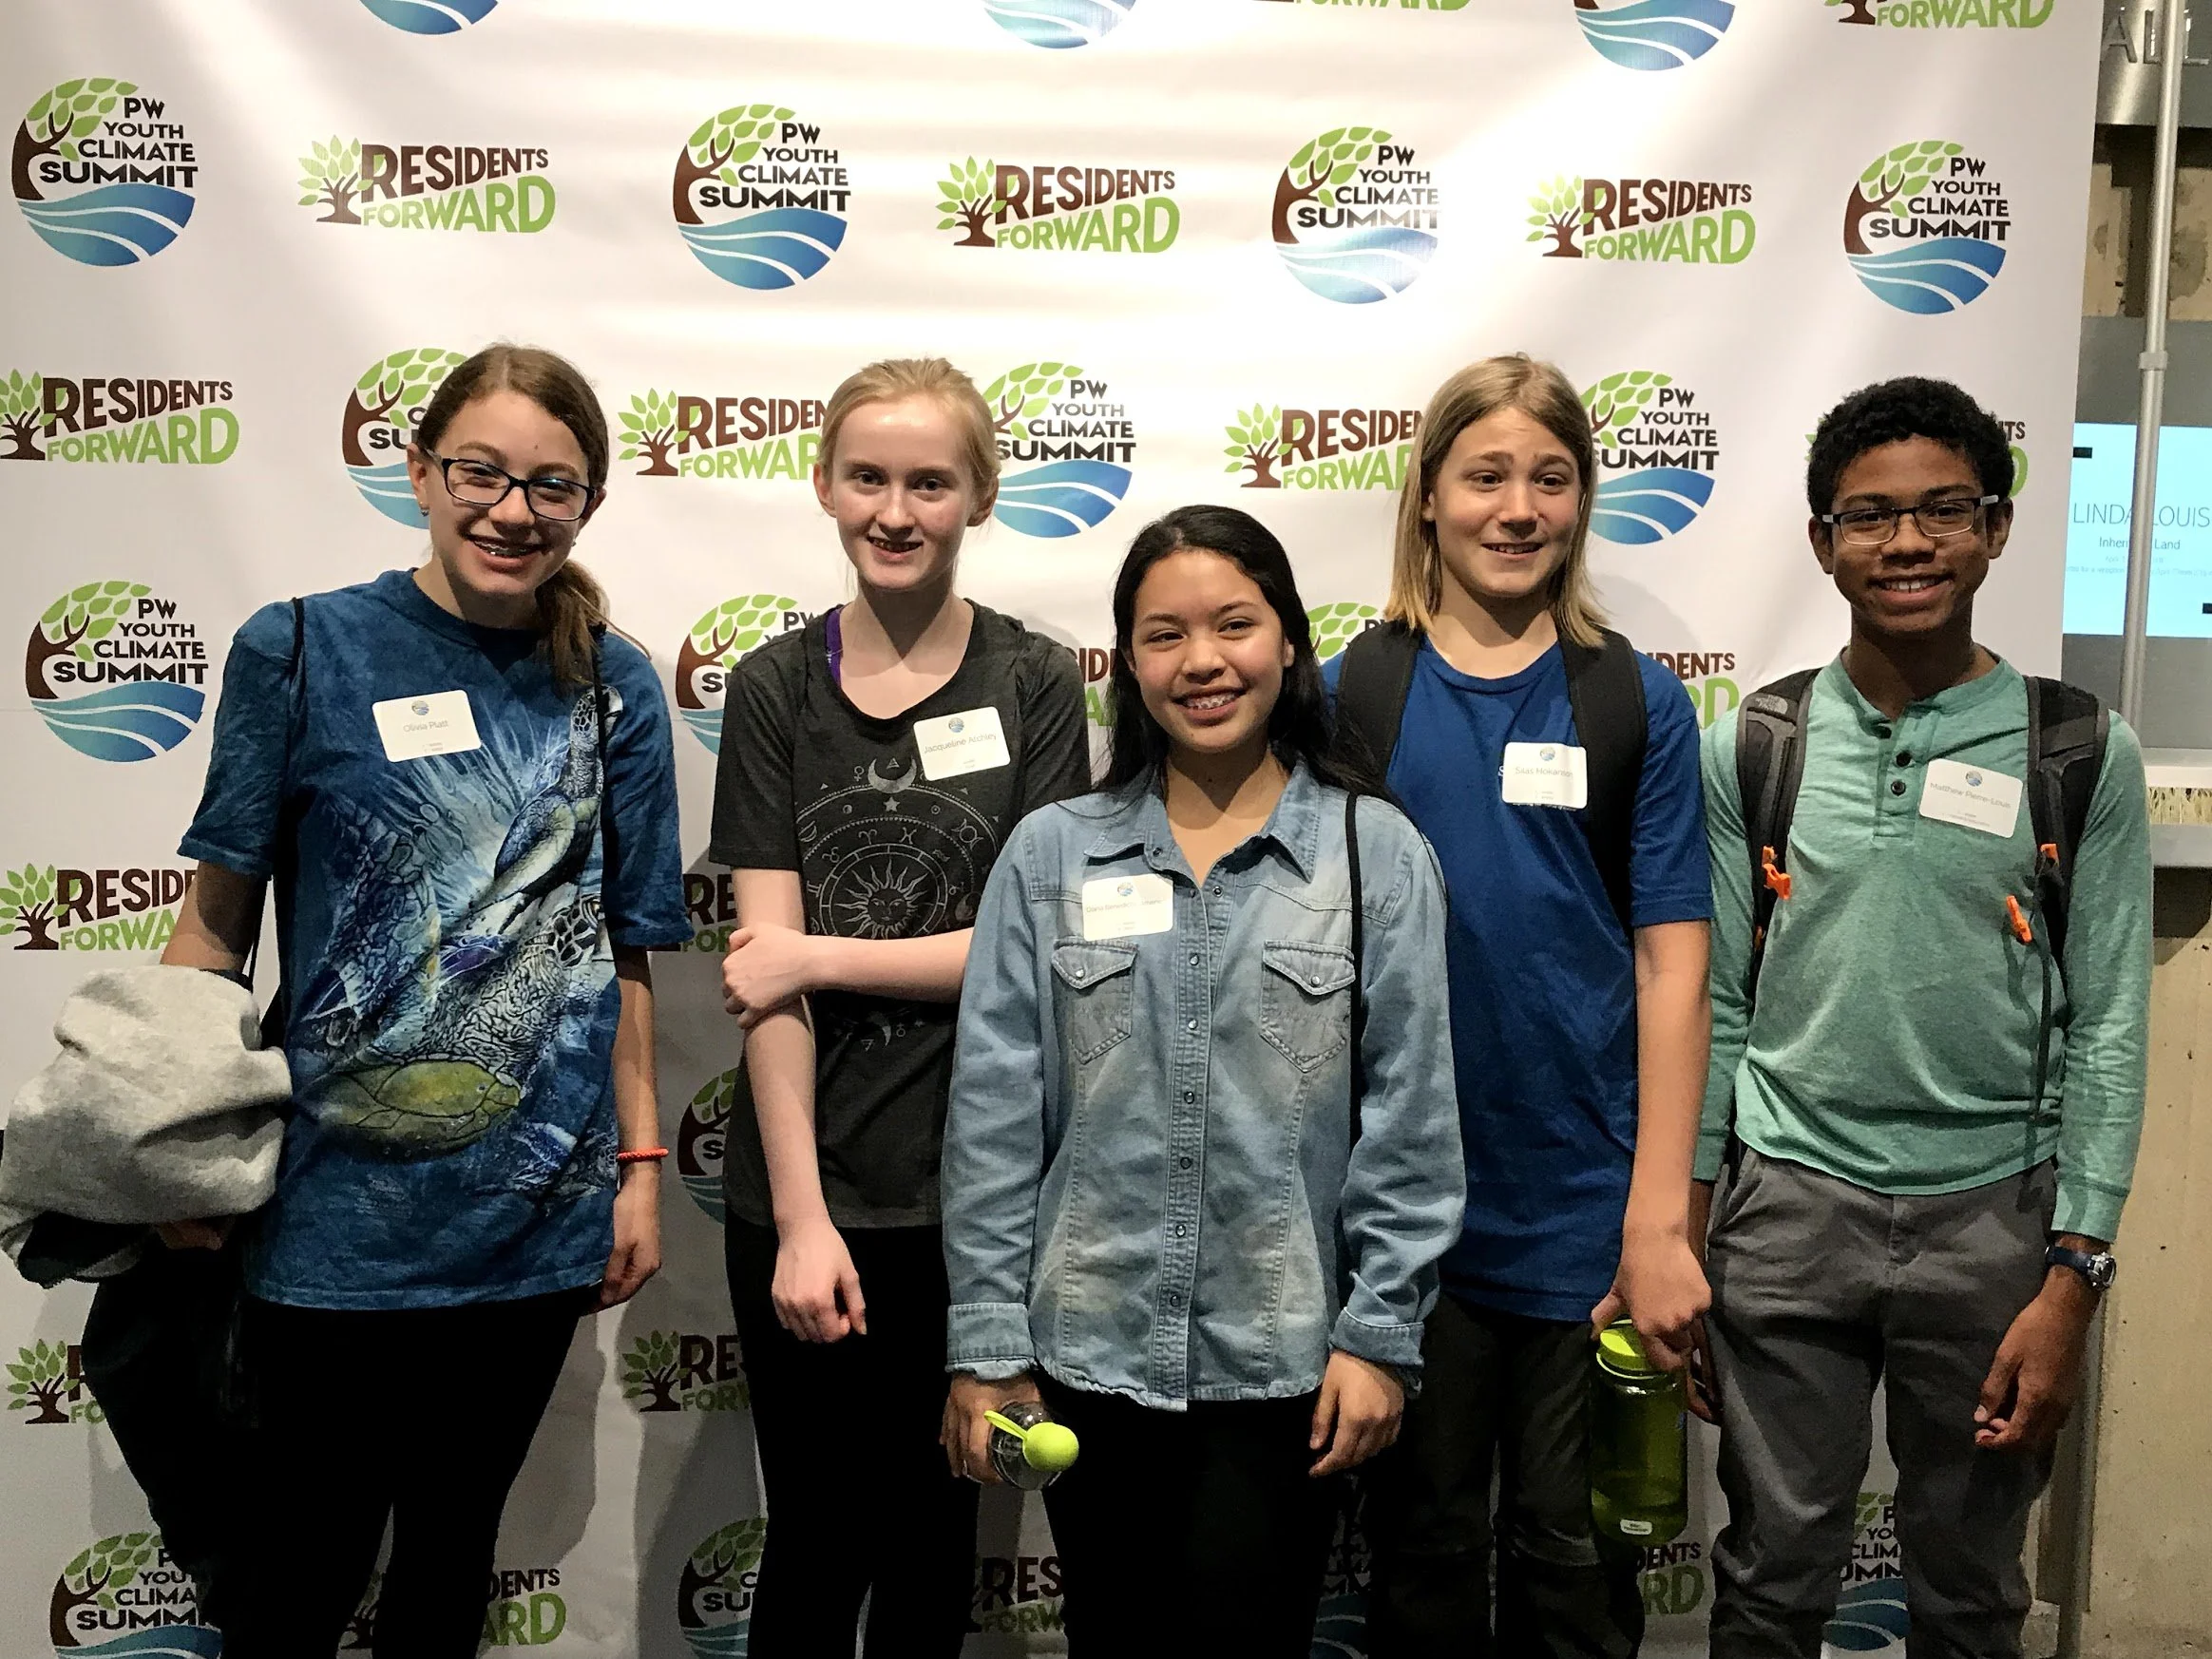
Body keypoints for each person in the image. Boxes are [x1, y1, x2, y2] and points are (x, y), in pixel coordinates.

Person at [159, 342, 691, 1656]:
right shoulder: (298, 647)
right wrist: (171, 1147)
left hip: (532, 1214)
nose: (514, 509)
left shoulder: (612, 683)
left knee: (451, 1562)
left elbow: (623, 955)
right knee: (299, 1572)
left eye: (551, 485)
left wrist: (638, 1165)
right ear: (419, 472)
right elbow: (215, 925)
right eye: (483, 472)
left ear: (588, 504)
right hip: (331, 1218)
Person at [940, 504, 1465, 1656]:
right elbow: (992, 1121)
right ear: (1127, 662)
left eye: (1235, 623)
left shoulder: (1376, 853)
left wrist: (1379, 1335)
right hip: (1089, 1358)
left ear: (1289, 643)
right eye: (1164, 634)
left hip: (1283, 1368)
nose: (1204, 661)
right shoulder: (1051, 854)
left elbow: (1413, 1119)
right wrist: (986, 1349)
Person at [1694, 376, 2150, 1658]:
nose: (1907, 544)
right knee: (1771, 1576)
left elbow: (2110, 1020)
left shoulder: (2077, 747)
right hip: (1784, 1211)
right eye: (1871, 517)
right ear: (1821, 540)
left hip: (1996, 1227)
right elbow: (1722, 1000)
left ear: (1997, 528)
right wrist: (1687, 1218)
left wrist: (2076, 1271)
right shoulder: (1758, 741)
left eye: (1945, 510)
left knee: (1968, 1586)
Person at [708, 357, 1091, 1657]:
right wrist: (804, 1221)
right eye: (867, 475)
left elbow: (1029, 945)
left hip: (975, 1204)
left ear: (980, 494)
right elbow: (758, 984)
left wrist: (818, 957)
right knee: (813, 1550)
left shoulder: (1037, 681)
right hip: (805, 1192)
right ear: (823, 483)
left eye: (931, 480)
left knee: (937, 1558)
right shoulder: (772, 688)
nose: (896, 507)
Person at [1344, 355, 1715, 1659]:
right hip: (1407, 1217)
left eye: (1548, 478)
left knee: (1576, 1566)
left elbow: (1675, 968)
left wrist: (1657, 1217)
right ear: (1430, 497)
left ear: (1582, 498)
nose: (1517, 507)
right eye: (1485, 475)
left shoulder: (1632, 697)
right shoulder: (1362, 689)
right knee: (1424, 1553)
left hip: (1583, 1214)